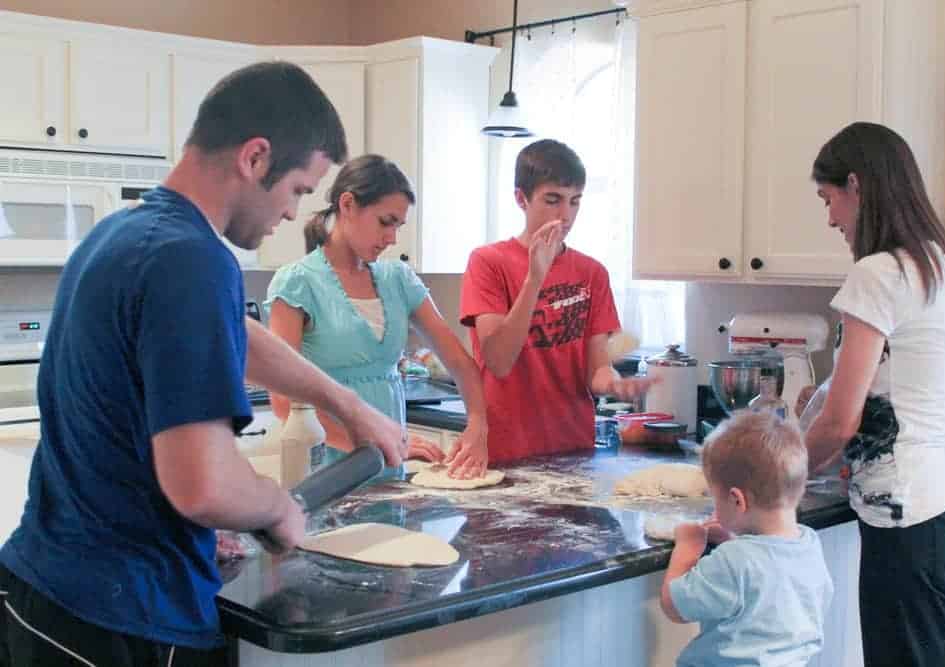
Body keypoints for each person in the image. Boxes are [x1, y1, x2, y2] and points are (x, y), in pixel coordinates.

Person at [0, 62, 407, 666]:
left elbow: (234, 334)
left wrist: (345, 403)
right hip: (121, 618)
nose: (295, 214)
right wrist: (276, 507)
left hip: (42, 592)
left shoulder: (121, 236)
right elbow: (204, 486)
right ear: (256, 157)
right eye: (298, 189)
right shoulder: (192, 259)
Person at [802, 121, 945, 667]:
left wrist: (779, 484)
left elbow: (841, 420)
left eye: (829, 198)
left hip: (914, 522)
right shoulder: (941, 265)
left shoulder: (878, 272)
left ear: (856, 185)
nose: (831, 217)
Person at [266, 154, 488, 480]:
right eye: (386, 222)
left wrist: (478, 426)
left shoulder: (399, 279)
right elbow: (284, 403)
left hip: (389, 470)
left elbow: (459, 362)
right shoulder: (297, 283)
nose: (392, 238)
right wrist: (374, 443)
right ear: (348, 205)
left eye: (398, 225)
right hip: (327, 474)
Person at [459, 139, 655, 462]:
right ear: (521, 199)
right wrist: (535, 277)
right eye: (553, 200)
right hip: (506, 449)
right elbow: (498, 360)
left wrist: (615, 383)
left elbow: (596, 370)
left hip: (574, 449)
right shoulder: (488, 263)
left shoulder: (592, 273)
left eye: (574, 201)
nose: (566, 215)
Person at [661, 410, 833, 667]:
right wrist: (733, 539)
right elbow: (765, 569)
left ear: (736, 500)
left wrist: (688, 547)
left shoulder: (734, 561)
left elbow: (675, 606)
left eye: (715, 498)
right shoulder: (809, 545)